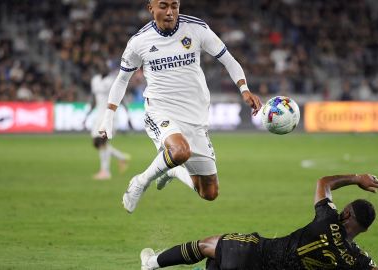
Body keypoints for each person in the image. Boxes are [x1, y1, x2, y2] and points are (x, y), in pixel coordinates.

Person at [98, 0, 262, 213]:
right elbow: (122, 80)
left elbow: (229, 60)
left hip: (196, 117)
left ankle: (171, 171)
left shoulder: (196, 28)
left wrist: (244, 89)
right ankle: (141, 181)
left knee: (209, 193)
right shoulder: (139, 42)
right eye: (163, 6)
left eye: (174, 6)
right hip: (161, 110)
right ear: (151, 9)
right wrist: (109, 113)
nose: (169, 12)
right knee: (180, 151)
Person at [139, 174, 378, 270]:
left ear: (347, 215)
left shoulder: (329, 220)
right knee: (215, 263)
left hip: (258, 254)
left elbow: (323, 183)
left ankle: (150, 264)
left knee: (208, 246)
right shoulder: (356, 259)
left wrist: (356, 178)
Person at [89, 59, 130, 180]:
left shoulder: (112, 80)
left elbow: (119, 97)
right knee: (97, 143)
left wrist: (127, 114)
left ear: (108, 68)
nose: (103, 68)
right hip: (98, 115)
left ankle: (105, 172)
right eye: (101, 66)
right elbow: (94, 98)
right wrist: (88, 114)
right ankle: (121, 157)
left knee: (102, 142)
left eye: (105, 67)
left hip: (110, 115)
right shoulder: (95, 80)